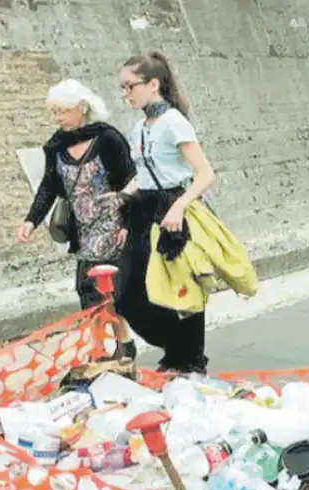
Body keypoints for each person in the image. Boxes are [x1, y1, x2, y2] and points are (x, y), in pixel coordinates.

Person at [110, 51, 217, 374]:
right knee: (127, 293)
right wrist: (121, 196)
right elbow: (142, 174)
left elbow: (205, 173)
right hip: (144, 208)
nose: (125, 93)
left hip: (174, 206)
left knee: (181, 284)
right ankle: (175, 347)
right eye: (122, 87)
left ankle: (189, 358)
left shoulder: (174, 122)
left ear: (153, 84)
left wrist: (179, 207)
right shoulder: (139, 127)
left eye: (130, 86)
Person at [16, 80, 136, 313]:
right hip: (83, 231)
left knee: (115, 294)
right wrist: (31, 221)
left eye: (62, 111)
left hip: (115, 227)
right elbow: (48, 186)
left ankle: (120, 343)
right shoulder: (56, 146)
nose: (56, 118)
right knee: (89, 292)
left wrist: (128, 225)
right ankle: (105, 346)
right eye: (53, 112)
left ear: (81, 107)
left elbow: (130, 181)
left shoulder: (108, 139)